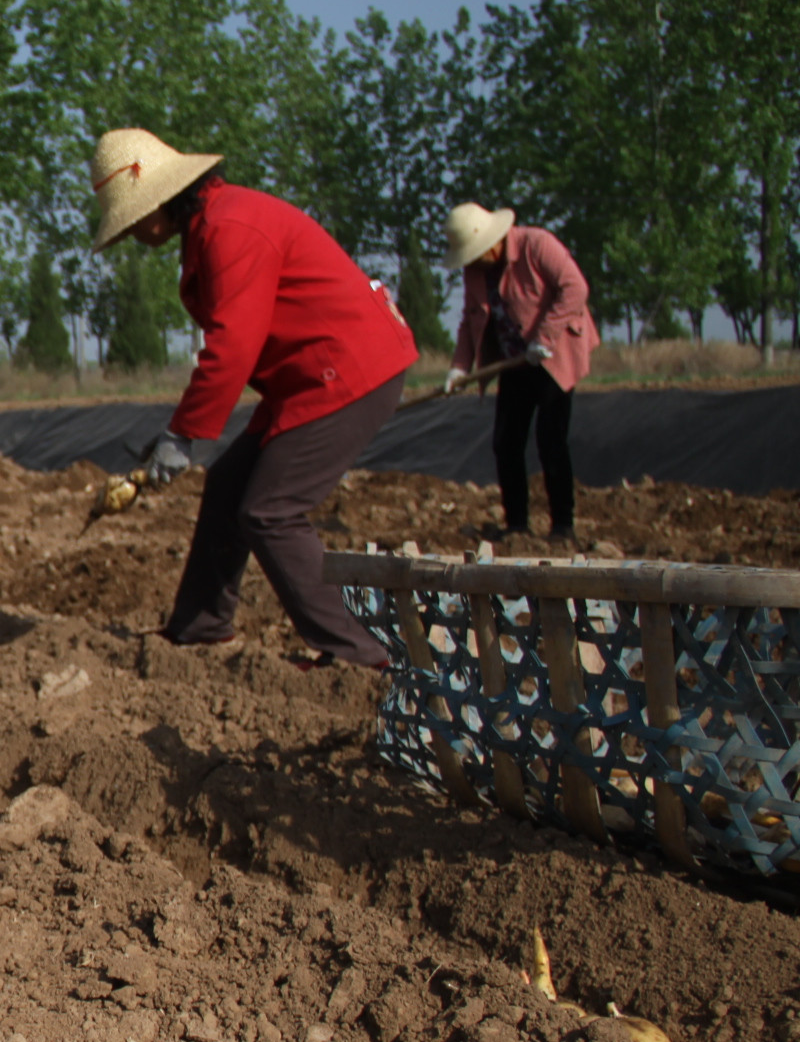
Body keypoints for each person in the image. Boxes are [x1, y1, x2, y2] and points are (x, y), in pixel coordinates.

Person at [94, 128, 418, 670]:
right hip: (311, 378)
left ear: (156, 206)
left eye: (129, 221)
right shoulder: (212, 226)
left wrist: (184, 434)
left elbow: (233, 345)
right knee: (229, 484)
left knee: (270, 511)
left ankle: (361, 658)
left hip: (346, 373)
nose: (131, 234)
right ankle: (199, 628)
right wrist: (182, 430)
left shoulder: (230, 228)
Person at [441, 202, 595, 540]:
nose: (475, 260)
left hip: (552, 355)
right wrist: (459, 367)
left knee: (550, 439)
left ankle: (562, 526)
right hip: (514, 360)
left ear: (493, 242)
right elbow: (471, 320)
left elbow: (575, 289)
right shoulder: (476, 271)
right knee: (506, 442)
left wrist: (545, 336)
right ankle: (517, 526)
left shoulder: (536, 245)